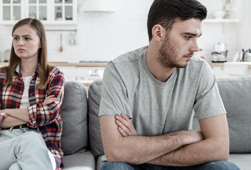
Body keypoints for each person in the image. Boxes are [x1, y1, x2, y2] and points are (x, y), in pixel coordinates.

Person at [99, 0, 240, 170]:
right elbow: (115, 151)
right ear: (158, 33)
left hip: (180, 164)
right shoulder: (119, 71)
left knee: (224, 168)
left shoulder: (200, 71)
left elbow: (219, 148)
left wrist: (137, 149)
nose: (196, 48)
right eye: (188, 37)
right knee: (114, 168)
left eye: (197, 38)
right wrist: (182, 137)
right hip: (134, 166)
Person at [0, 18, 65, 170]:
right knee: (29, 138)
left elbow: (50, 113)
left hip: (43, 146)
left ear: (40, 43)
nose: (20, 43)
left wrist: (4, 112)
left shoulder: (54, 75)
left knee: (17, 167)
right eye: (16, 38)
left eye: (27, 38)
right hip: (2, 145)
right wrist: (37, 112)